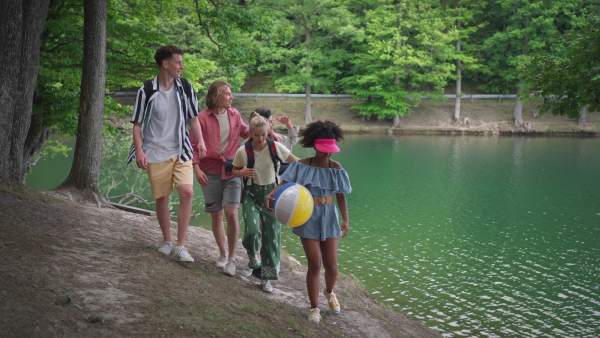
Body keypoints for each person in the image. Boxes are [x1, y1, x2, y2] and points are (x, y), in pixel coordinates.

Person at [127, 45, 206, 262]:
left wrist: (200, 141)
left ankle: (181, 246)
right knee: (162, 199)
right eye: (178, 62)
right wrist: (140, 151)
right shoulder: (147, 90)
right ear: (165, 64)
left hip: (181, 150)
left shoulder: (186, 87)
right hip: (155, 151)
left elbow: (193, 118)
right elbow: (137, 125)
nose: (182, 66)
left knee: (187, 192)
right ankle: (167, 240)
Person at [266, 120, 351, 324]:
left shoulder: (336, 168)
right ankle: (314, 308)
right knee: (314, 264)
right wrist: (271, 195)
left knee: (332, 267)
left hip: (330, 217)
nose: (327, 154)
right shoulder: (301, 166)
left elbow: (341, 196)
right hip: (307, 217)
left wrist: (346, 220)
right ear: (314, 146)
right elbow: (284, 183)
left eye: (330, 151)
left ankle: (329, 292)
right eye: (323, 150)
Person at [231, 112, 298, 292]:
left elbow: (296, 162)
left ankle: (267, 278)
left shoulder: (275, 147)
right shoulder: (243, 151)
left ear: (268, 131)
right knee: (252, 231)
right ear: (250, 134)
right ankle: (253, 258)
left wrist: (314, 168)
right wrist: (241, 173)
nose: (261, 138)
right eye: (256, 135)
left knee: (272, 236)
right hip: (251, 194)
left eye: (264, 134)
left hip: (272, 195)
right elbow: (234, 170)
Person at [191, 80, 249, 276]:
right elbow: (192, 146)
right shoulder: (201, 118)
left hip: (233, 170)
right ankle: (223, 254)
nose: (231, 97)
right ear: (217, 95)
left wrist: (263, 125)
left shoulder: (235, 115)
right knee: (216, 214)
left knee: (231, 213)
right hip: (209, 171)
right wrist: (196, 169)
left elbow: (247, 132)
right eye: (228, 94)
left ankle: (232, 259)